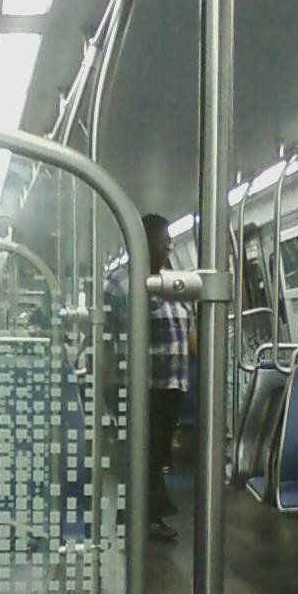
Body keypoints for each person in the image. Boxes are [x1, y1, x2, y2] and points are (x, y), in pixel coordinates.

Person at [105, 213, 195, 541]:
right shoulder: (119, 283)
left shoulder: (173, 281)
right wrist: (108, 383)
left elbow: (188, 326)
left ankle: (145, 513)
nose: (169, 245)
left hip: (174, 381)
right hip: (141, 384)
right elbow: (107, 337)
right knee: (146, 451)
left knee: (157, 451)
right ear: (143, 242)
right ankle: (147, 516)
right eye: (163, 238)